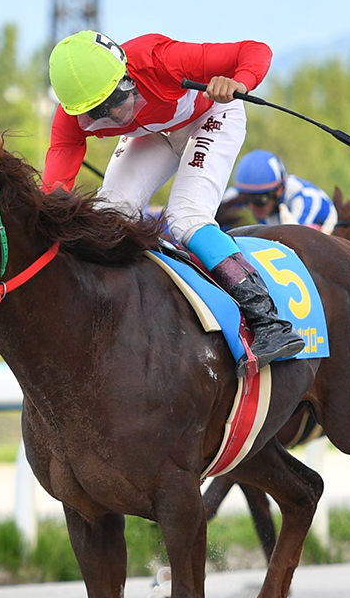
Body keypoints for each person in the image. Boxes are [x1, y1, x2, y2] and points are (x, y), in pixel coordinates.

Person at [44, 30, 304, 375]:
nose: (114, 115)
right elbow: (55, 187)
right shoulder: (70, 119)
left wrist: (239, 82)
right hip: (155, 133)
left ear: (126, 75)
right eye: (97, 112)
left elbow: (255, 50)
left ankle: (269, 321)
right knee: (109, 218)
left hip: (212, 116)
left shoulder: (161, 58)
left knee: (186, 216)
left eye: (116, 99)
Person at [228, 149, 338, 231]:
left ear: (279, 190)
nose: (252, 206)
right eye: (246, 199)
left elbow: (293, 239)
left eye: (259, 199)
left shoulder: (307, 199)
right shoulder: (252, 193)